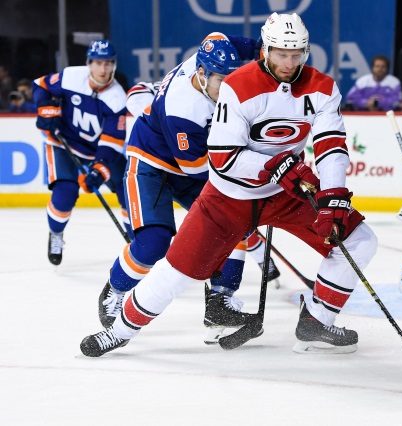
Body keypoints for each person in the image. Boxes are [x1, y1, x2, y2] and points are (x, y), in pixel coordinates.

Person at [80, 12, 378, 358]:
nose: (289, 63)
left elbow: (330, 145)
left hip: (283, 191)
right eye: (281, 53)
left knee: (360, 240)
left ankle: (314, 320)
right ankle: (119, 330)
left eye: (296, 54)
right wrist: (277, 166)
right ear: (267, 51)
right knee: (175, 266)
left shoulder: (322, 87)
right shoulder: (232, 88)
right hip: (225, 192)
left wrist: (333, 196)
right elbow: (220, 159)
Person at [96, 33, 281, 343]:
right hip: (153, 165)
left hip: (193, 157)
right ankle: (115, 290)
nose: (230, 87)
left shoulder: (213, 53)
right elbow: (198, 168)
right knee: (154, 244)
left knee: (232, 221)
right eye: (223, 80)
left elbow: (233, 41)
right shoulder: (184, 109)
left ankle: (219, 304)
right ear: (201, 74)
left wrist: (265, 50)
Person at [32, 40, 131, 265]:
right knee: (65, 193)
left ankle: (137, 244)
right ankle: (56, 234)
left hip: (98, 150)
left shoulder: (117, 97)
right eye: (98, 63)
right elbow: (40, 85)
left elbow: (112, 140)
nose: (103, 70)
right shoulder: (70, 77)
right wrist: (46, 109)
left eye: (108, 64)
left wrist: (100, 168)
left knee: (128, 190)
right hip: (63, 142)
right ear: (88, 63)